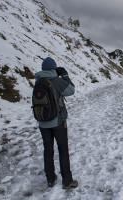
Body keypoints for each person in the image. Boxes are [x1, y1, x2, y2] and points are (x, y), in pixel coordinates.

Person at [34, 57, 78, 189]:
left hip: (43, 123)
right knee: (63, 149)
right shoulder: (57, 81)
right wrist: (65, 75)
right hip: (58, 122)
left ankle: (50, 179)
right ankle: (67, 180)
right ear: (54, 68)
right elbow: (71, 90)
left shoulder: (38, 82)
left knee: (48, 150)